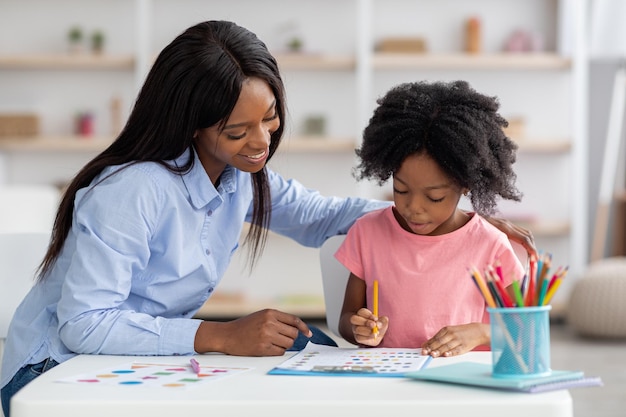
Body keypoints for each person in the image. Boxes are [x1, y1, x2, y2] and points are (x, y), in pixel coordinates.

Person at [0, 22, 534, 416]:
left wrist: (456, 223)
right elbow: (84, 323)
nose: (261, 143)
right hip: (54, 369)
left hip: (140, 359)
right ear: (191, 125)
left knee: (309, 351)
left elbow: (326, 215)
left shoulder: (235, 177)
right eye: (238, 131)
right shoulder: (135, 190)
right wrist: (217, 336)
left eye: (271, 119)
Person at [336, 80, 527, 358]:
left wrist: (480, 332)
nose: (414, 207)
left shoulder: (491, 245)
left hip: (458, 383)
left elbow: (523, 330)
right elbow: (347, 319)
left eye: (434, 197)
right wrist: (358, 329)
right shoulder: (367, 233)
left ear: (465, 185)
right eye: (400, 190)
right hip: (388, 382)